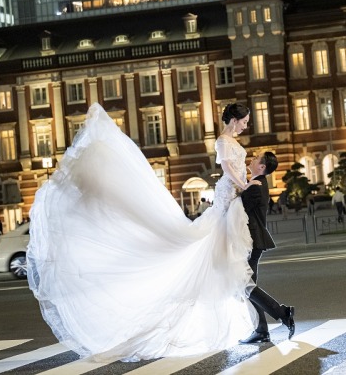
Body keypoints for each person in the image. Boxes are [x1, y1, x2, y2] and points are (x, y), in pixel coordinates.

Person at [27, 102, 264, 361]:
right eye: (244, 121)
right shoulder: (222, 141)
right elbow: (228, 169)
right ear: (235, 119)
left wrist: (244, 184)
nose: (246, 125)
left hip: (230, 202)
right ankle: (240, 311)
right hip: (225, 201)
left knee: (215, 258)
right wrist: (244, 184)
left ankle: (247, 309)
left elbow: (234, 170)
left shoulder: (232, 142)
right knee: (205, 254)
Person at [239, 151, 295, 344]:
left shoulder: (256, 186)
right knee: (247, 285)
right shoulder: (256, 184)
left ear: (261, 167)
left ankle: (282, 313)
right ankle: (262, 329)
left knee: (244, 285)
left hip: (251, 241)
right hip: (252, 241)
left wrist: (238, 188)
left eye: (256, 159)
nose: (252, 159)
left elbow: (238, 207)